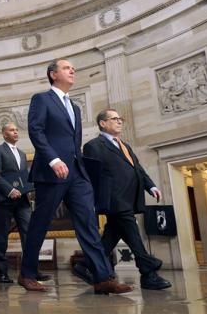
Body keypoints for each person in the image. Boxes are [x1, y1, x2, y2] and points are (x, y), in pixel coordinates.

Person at [19, 59, 132, 294]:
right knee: (40, 223)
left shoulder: (75, 107)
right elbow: (36, 130)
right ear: (53, 74)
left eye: (74, 67)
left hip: (77, 172)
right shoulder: (41, 99)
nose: (73, 70)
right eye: (67, 68)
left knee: (88, 222)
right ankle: (27, 273)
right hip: (52, 171)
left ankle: (102, 277)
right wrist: (53, 159)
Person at [73, 108, 171, 290]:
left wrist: (151, 186)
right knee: (132, 232)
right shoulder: (93, 146)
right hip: (114, 199)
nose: (119, 121)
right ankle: (148, 271)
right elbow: (91, 176)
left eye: (120, 119)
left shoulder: (125, 145)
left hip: (129, 196)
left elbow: (137, 168)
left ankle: (85, 265)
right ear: (103, 123)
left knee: (113, 234)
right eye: (115, 118)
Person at [0, 122, 32, 283]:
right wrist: (9, 190)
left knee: (29, 233)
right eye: (11, 130)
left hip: (22, 200)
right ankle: (2, 273)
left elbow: (22, 176)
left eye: (16, 130)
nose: (15, 132)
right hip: (3, 200)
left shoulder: (21, 154)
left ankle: (30, 271)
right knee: (2, 237)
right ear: (4, 134)